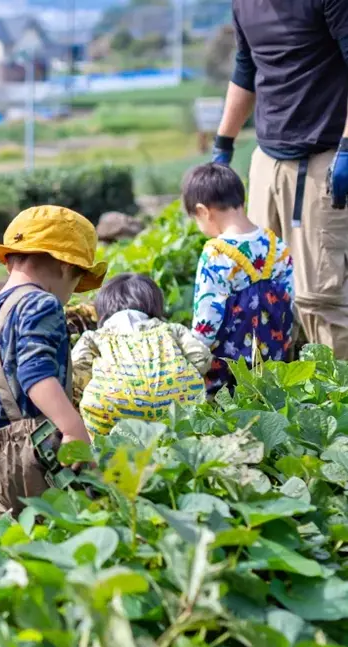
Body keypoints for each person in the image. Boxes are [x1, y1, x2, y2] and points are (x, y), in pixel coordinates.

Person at [211, 0, 348, 356]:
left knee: (319, 298)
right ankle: (279, 396)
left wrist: (347, 148)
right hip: (267, 160)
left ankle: (338, 399)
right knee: (258, 288)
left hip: (323, 160)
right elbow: (247, 68)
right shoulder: (245, 4)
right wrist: (223, 143)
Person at [0, 205, 101, 518]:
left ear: (9, 261)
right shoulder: (42, 303)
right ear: (65, 266)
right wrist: (72, 427)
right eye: (78, 281)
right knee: (75, 527)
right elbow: (36, 375)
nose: (72, 293)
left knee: (17, 540)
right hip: (41, 450)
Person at [183, 164, 295, 396]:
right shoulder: (276, 245)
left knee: (229, 419)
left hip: (229, 370)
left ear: (203, 211)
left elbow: (207, 321)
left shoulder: (216, 254)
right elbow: (290, 301)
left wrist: (191, 356)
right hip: (274, 359)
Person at [73, 273, 210, 439]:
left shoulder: (94, 337)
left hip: (113, 406)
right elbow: (201, 357)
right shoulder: (172, 329)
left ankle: (105, 453)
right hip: (177, 405)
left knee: (99, 430)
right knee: (188, 422)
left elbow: (77, 371)